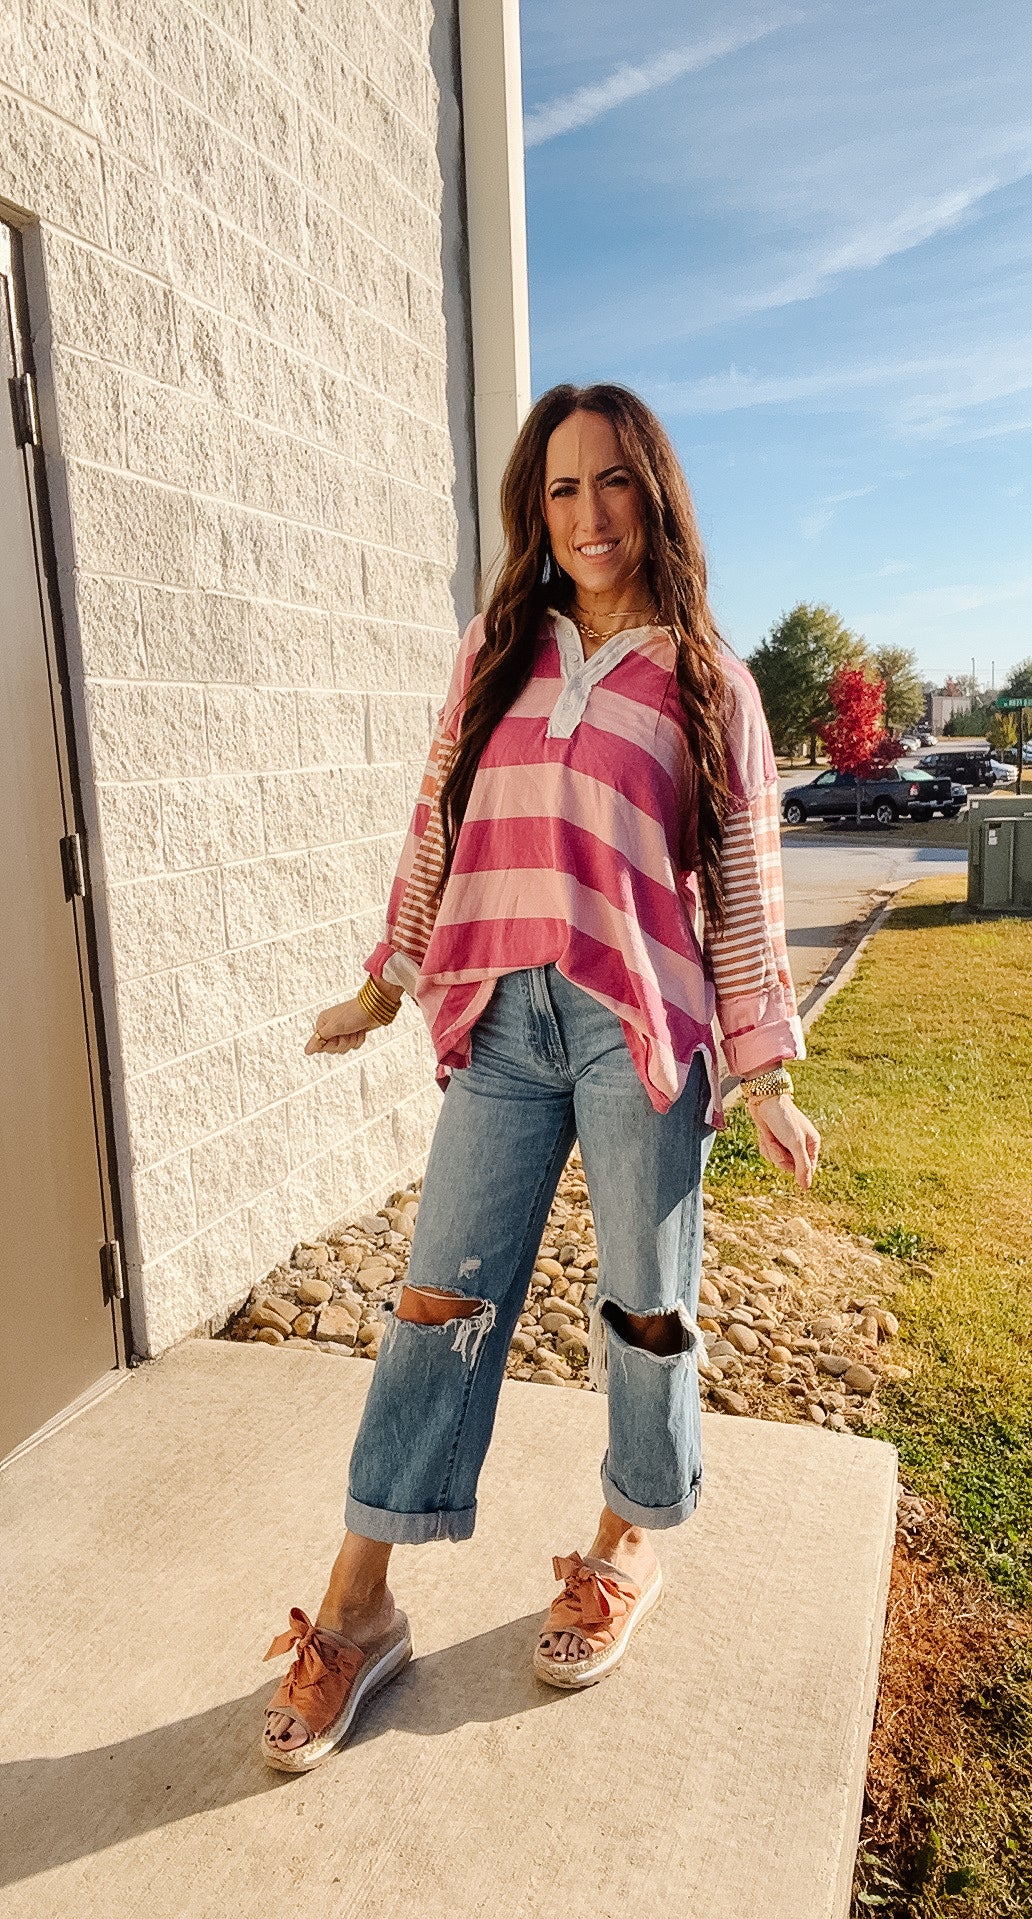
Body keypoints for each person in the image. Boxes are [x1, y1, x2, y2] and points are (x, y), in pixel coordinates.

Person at [261, 383, 820, 1772]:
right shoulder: (496, 651)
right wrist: (388, 982)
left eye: (613, 484)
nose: (589, 517)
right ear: (537, 510)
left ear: (655, 496)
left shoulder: (711, 685)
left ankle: (628, 1543)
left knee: (645, 1307)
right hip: (502, 1026)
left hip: (639, 1030)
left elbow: (744, 891)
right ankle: (360, 1606)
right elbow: (436, 816)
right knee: (436, 1307)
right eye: (562, 491)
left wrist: (764, 1075)